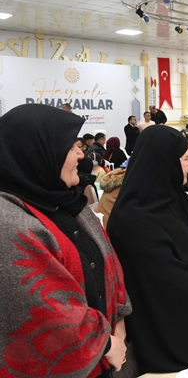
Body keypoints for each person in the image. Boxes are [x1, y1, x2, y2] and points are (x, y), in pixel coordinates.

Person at [0, 103, 130, 376]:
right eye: (70, 147)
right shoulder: (9, 222)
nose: (81, 153)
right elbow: (45, 311)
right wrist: (107, 344)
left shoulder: (68, 202)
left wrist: (118, 322)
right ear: (37, 154)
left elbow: (107, 261)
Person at [107, 126, 188, 374]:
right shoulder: (131, 221)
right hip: (171, 339)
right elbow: (173, 286)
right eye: (186, 158)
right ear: (164, 163)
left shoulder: (178, 199)